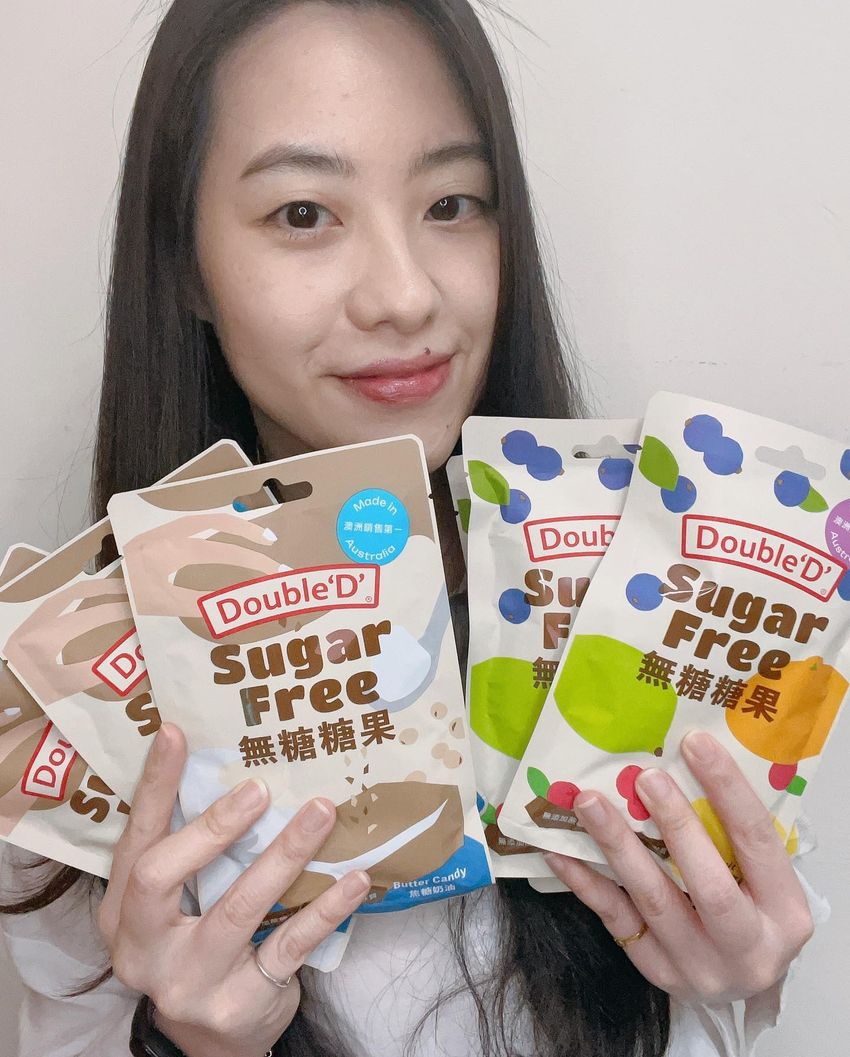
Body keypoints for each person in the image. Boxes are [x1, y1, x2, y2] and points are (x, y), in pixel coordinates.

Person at [0, 2, 826, 1056]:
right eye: (304, 213)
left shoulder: (653, 601)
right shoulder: (73, 718)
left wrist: (738, 979)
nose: (404, 295)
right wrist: (191, 1043)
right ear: (185, 266)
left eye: (451, 203)